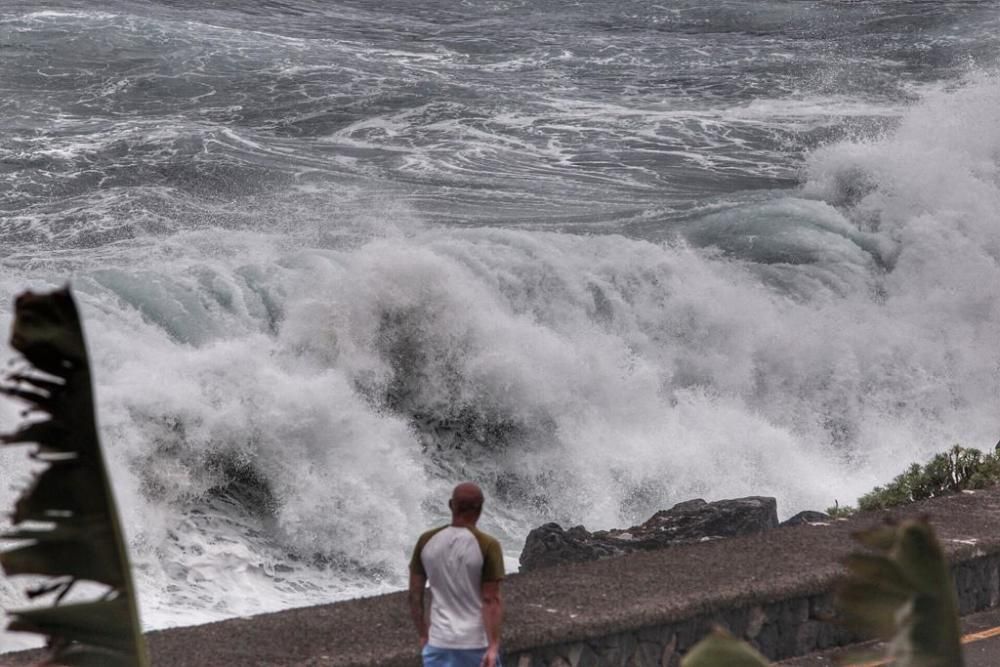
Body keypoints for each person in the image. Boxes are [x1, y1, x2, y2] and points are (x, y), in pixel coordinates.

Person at [409, 482, 505, 667]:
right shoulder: (487, 545)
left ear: (451, 505)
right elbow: (490, 599)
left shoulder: (426, 541)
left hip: (438, 643)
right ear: (480, 508)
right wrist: (493, 646)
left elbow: (414, 594)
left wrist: (423, 635)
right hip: (476, 644)